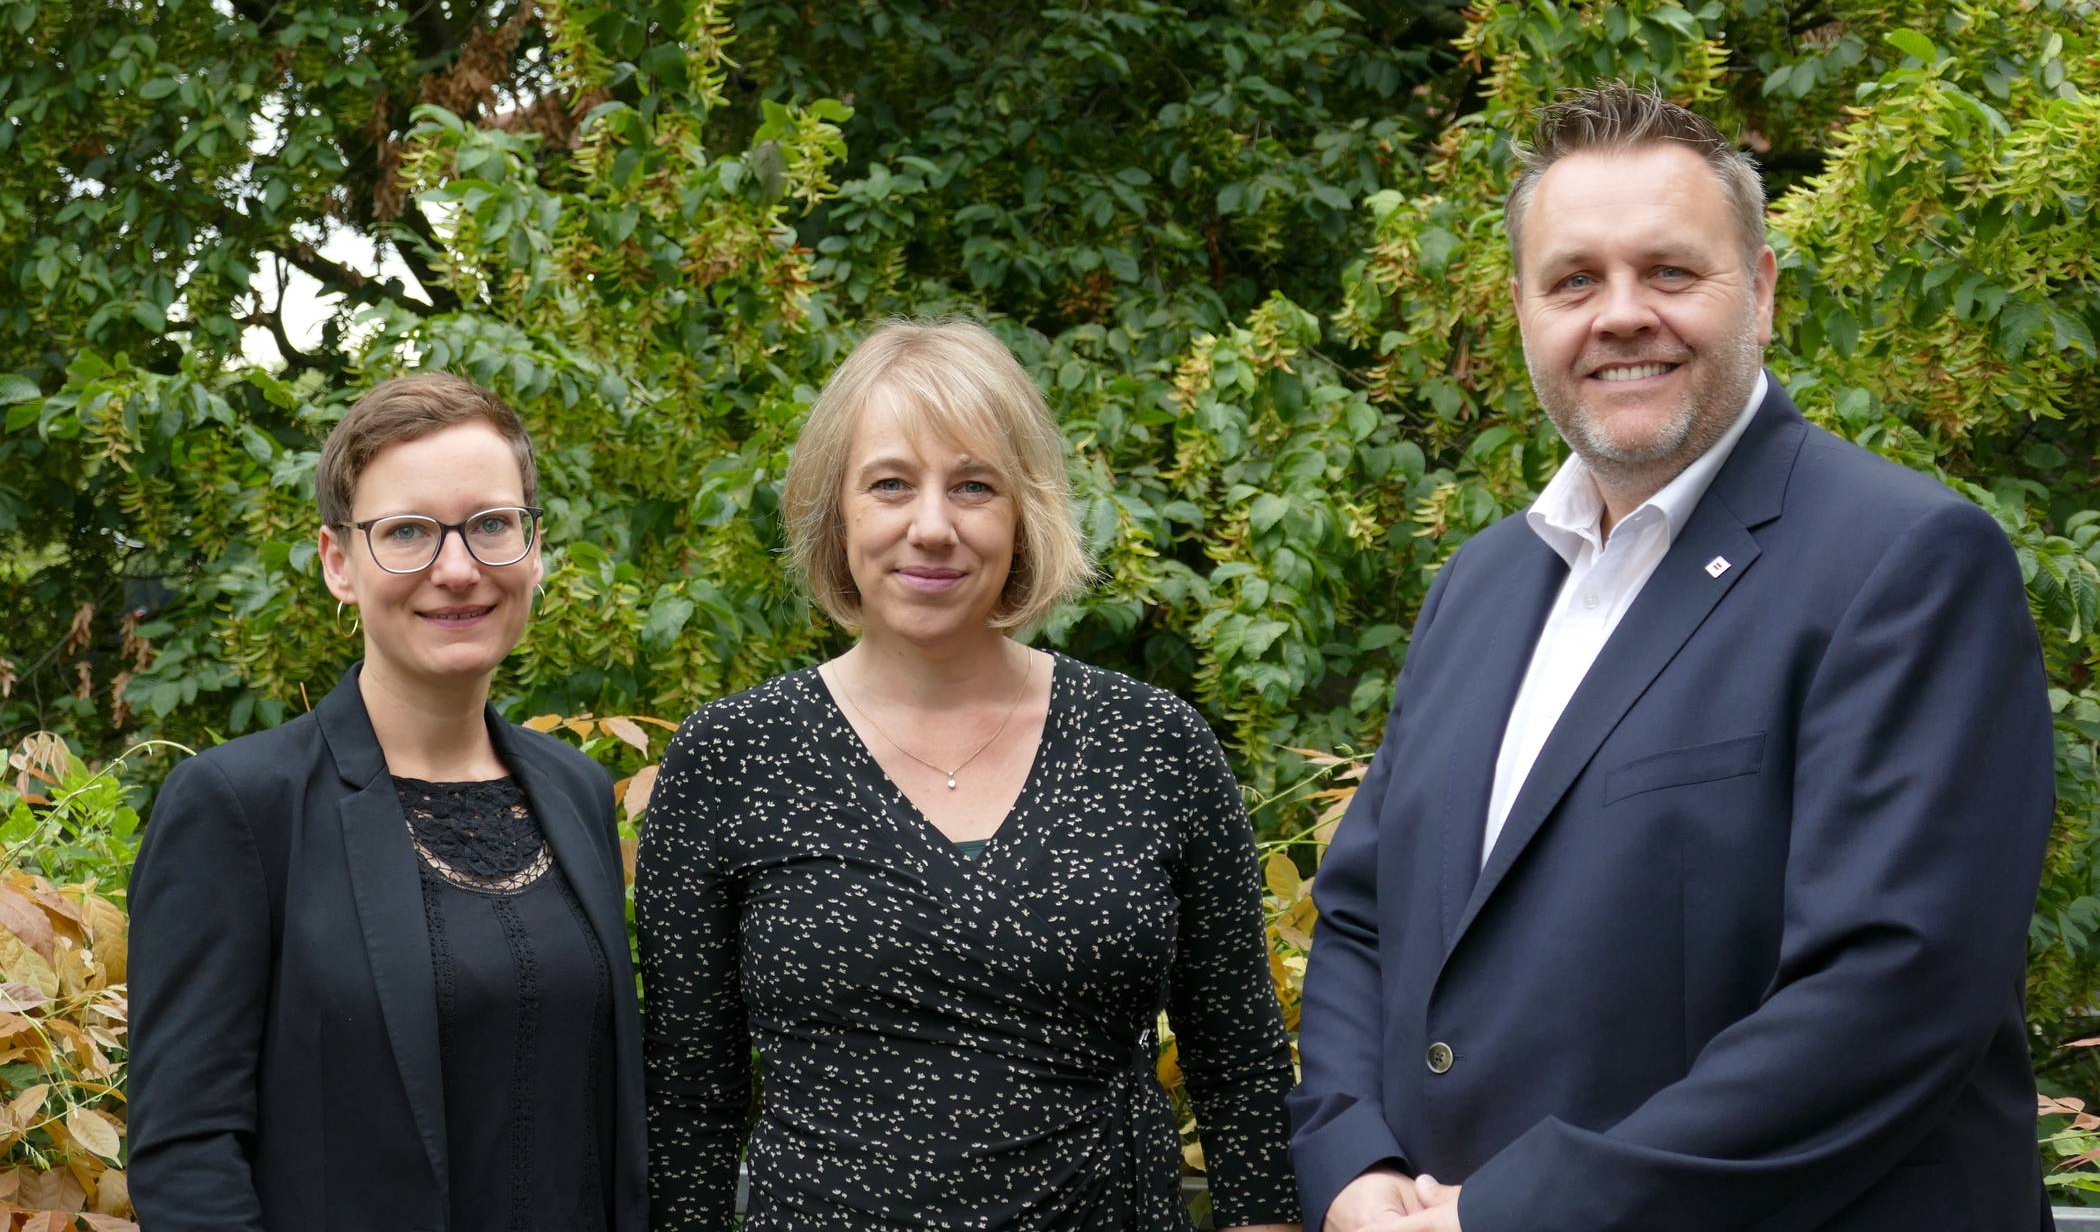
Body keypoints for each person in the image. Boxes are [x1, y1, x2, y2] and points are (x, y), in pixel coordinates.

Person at [1288, 81, 2056, 1232]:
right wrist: (1349, 1161)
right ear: (1521, 311)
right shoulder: (1480, 587)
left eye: (1670, 271)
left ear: (1761, 290)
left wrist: (1514, 1212)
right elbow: (1360, 920)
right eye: (1574, 280)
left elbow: (1894, 992)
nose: (1621, 314)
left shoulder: (1906, 561)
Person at [636, 319, 1302, 1230]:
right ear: (834, 511)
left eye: (975, 485)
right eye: (890, 485)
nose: (934, 526)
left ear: (1025, 510)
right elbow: (689, 1109)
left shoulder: (1154, 744)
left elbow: (1242, 1072)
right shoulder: (733, 758)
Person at [128, 373, 647, 1232]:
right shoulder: (238, 809)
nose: (456, 568)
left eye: (491, 525)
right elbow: (187, 1157)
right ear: (339, 562)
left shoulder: (575, 791)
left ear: (534, 547)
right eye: (406, 531)